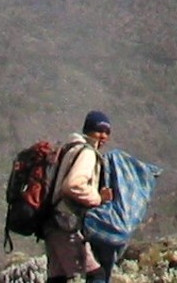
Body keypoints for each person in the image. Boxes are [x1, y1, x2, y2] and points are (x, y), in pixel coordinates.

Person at [46, 112, 112, 283]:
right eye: (99, 130)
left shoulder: (69, 148)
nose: (103, 136)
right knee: (96, 275)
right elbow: (73, 185)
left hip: (51, 222)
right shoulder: (87, 153)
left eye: (107, 132)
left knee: (57, 278)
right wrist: (98, 198)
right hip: (66, 223)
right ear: (89, 130)